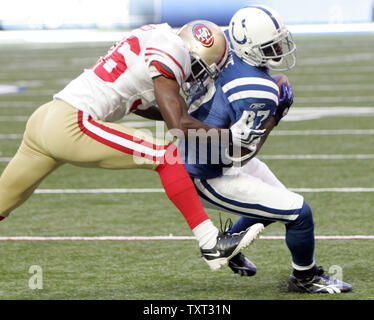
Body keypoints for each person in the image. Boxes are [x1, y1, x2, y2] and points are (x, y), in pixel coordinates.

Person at [0, 20, 265, 272]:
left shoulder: (157, 36)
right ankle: (211, 242)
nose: (197, 77)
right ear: (194, 53)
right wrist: (228, 136)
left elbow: (146, 105)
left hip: (46, 118)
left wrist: (201, 121)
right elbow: (178, 125)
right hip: (72, 123)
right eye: (202, 69)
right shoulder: (173, 52)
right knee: (167, 156)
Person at [139, 6, 353, 293]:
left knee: (277, 202)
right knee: (299, 213)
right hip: (209, 171)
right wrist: (277, 114)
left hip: (202, 149)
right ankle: (305, 277)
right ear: (249, 45)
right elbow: (242, 153)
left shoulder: (220, 43)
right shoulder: (257, 89)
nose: (277, 50)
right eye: (269, 46)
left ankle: (231, 243)